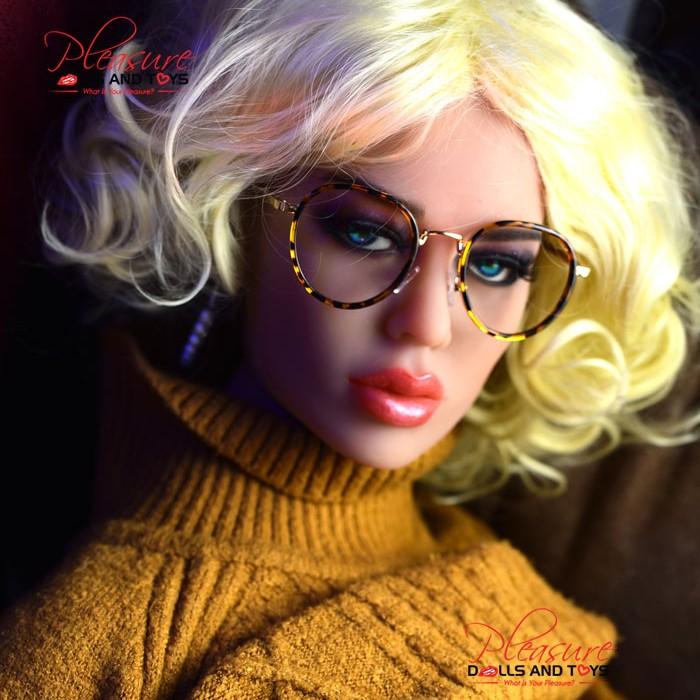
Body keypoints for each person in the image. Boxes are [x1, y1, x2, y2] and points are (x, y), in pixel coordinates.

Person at [1, 0, 698, 697]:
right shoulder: (96, 645)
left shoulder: (512, 604)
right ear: (235, 212)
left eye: (496, 265)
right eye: (366, 233)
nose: (427, 324)